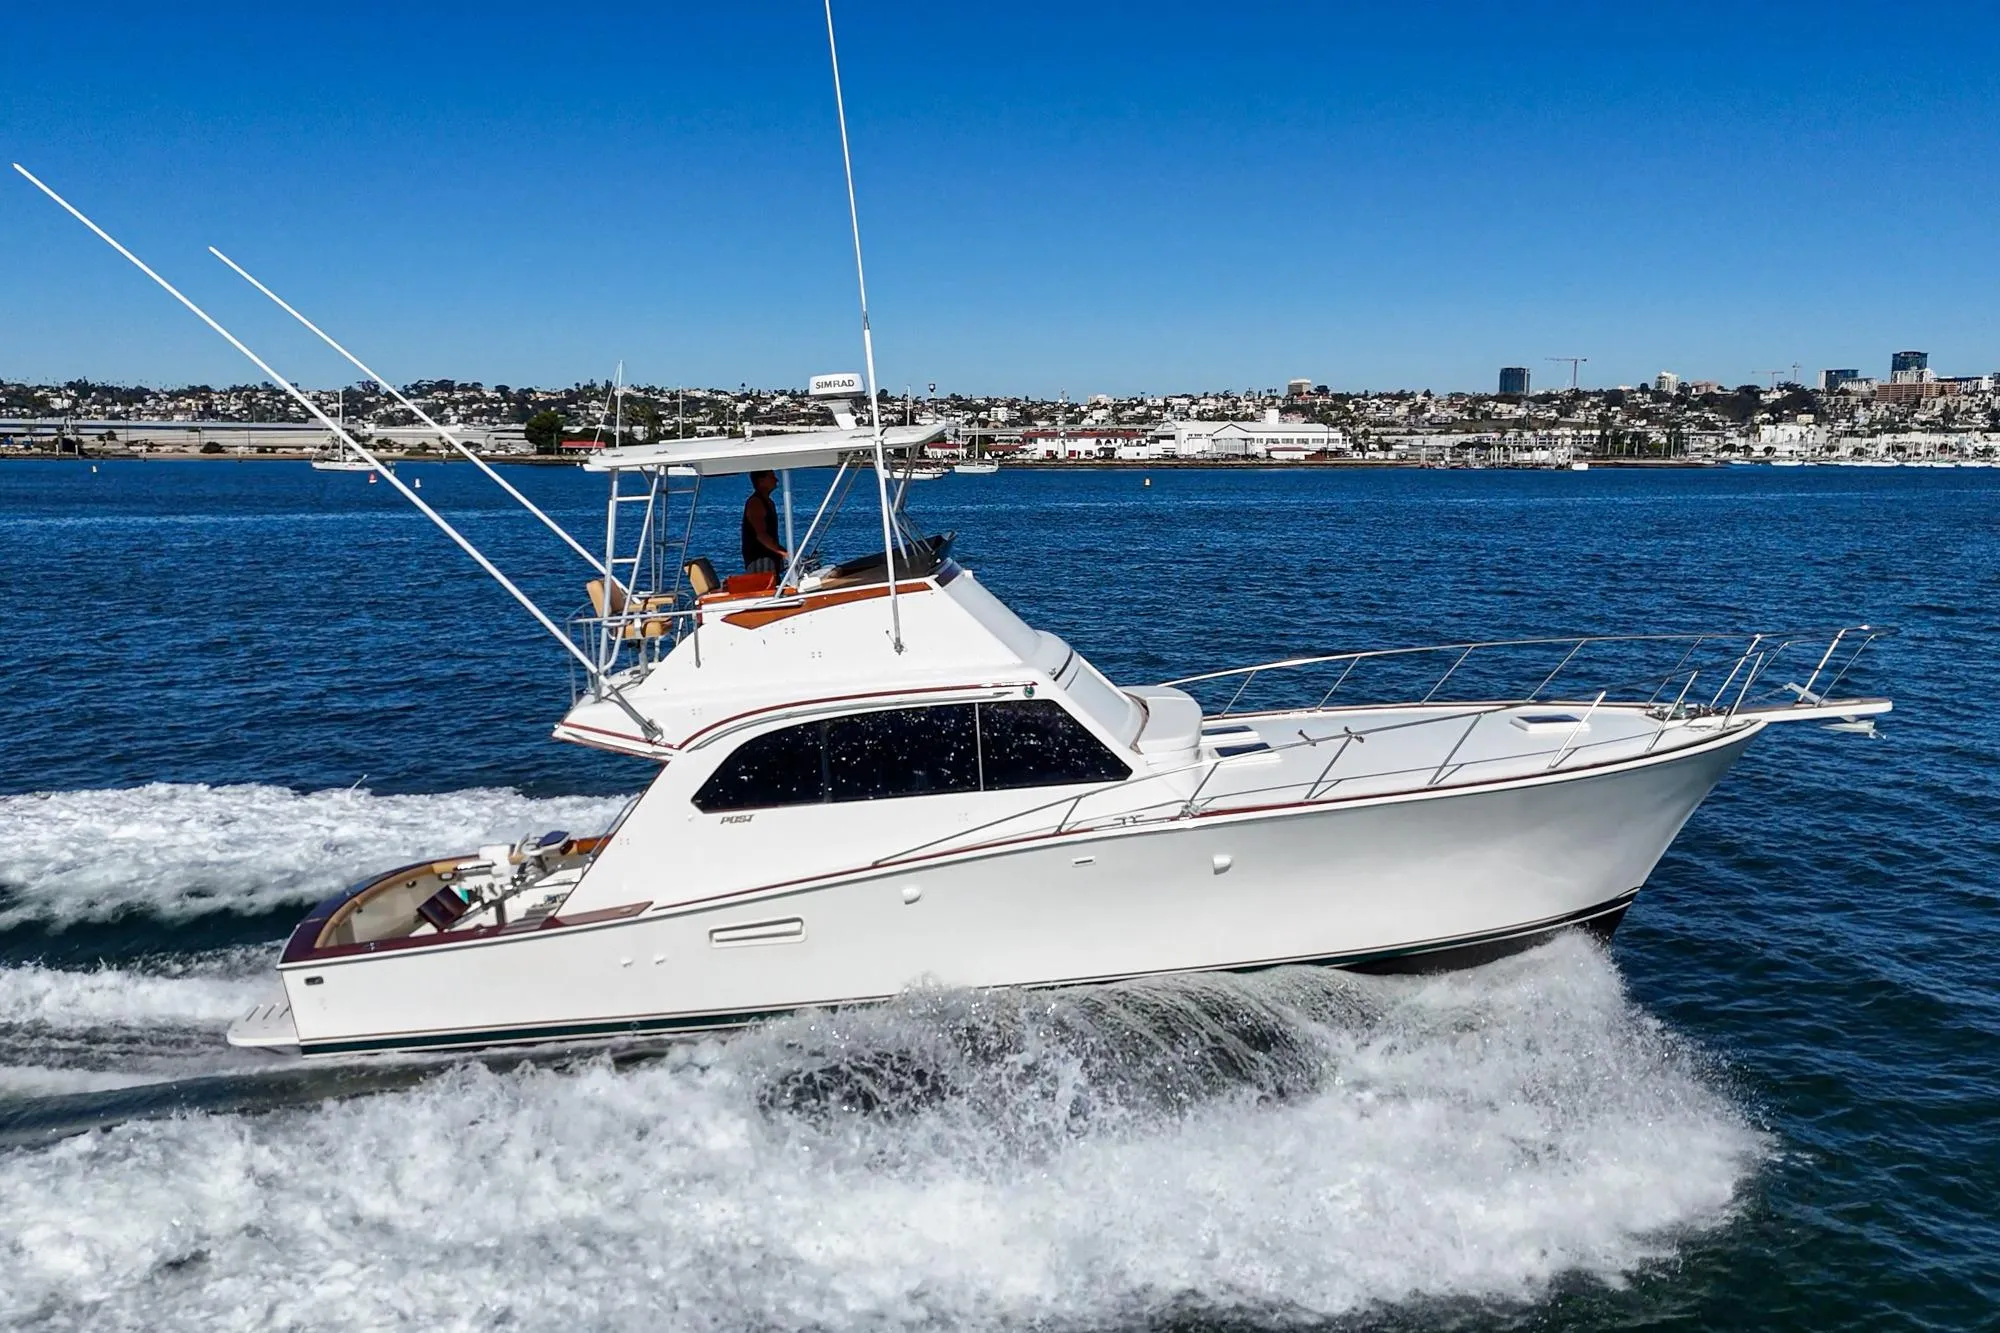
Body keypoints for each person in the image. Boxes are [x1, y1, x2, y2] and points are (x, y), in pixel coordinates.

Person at [741, 470, 787, 576]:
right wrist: (784, 553)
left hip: (770, 558)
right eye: (772, 477)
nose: (776, 480)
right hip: (760, 561)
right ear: (761, 481)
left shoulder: (769, 502)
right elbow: (761, 535)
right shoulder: (755, 503)